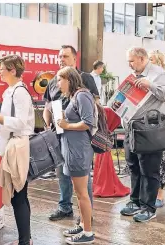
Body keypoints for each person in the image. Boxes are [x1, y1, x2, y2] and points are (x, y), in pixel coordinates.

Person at [43, 45, 99, 223]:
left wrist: (71, 122)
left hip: (78, 136)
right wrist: (48, 123)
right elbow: (48, 105)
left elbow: (94, 106)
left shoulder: (85, 79)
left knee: (82, 175)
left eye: (65, 56)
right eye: (59, 56)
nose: (61, 59)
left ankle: (86, 214)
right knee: (62, 172)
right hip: (59, 134)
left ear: (75, 58)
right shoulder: (54, 80)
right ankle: (65, 207)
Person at [120, 47, 165, 222]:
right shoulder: (133, 76)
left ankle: (148, 207)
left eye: (131, 61)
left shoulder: (158, 74)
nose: (129, 64)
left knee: (149, 170)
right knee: (134, 166)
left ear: (142, 59)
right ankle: (135, 201)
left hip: (149, 130)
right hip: (132, 128)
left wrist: (150, 85)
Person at [0, 55, 35, 245]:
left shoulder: (19, 92)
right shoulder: (11, 91)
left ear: (12, 70)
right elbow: (9, 121)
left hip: (18, 146)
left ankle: (24, 241)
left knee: (19, 196)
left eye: (2, 68)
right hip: (13, 144)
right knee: (19, 195)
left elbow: (20, 122)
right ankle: (25, 239)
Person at [56, 66, 95, 244]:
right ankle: (83, 225)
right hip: (72, 150)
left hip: (78, 150)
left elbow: (87, 122)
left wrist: (67, 125)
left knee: (81, 194)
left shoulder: (82, 95)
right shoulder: (75, 96)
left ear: (69, 80)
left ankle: (87, 233)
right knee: (79, 193)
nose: (57, 83)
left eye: (60, 79)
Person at [148, 50, 165, 208]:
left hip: (160, 122)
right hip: (145, 123)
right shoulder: (144, 76)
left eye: (151, 60)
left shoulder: (164, 77)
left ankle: (160, 194)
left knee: (161, 160)